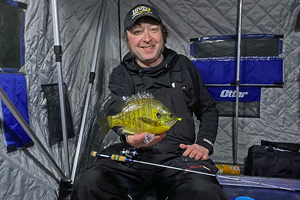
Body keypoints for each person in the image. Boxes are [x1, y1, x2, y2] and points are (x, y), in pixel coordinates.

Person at [71, 4, 231, 200]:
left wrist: (203, 144)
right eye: (138, 31)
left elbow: (208, 109)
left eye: (153, 29)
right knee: (89, 182)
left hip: (179, 159)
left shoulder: (183, 66)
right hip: (133, 157)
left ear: (163, 34)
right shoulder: (121, 74)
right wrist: (128, 136)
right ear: (128, 39)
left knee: (205, 191)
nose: (147, 38)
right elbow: (117, 110)